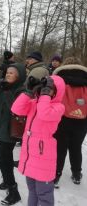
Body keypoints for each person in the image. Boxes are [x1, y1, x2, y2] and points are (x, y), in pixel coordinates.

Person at [11, 75, 66, 206]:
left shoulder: (58, 107)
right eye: (44, 88)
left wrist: (45, 95)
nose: (45, 92)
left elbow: (44, 113)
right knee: (32, 191)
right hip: (29, 157)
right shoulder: (35, 103)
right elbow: (16, 109)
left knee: (44, 195)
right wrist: (28, 92)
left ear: (57, 92)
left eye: (50, 89)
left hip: (44, 158)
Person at [0, 63, 26, 205]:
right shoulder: (4, 87)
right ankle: (6, 182)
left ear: (19, 76)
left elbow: (16, 110)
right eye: (7, 72)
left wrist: (4, 91)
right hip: (1, 129)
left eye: (12, 73)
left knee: (3, 161)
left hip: (11, 131)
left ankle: (14, 192)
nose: (8, 74)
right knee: (4, 160)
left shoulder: (22, 90)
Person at [52, 57, 87, 187]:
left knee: (60, 148)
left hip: (61, 118)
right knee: (76, 147)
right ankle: (77, 174)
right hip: (82, 120)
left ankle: (56, 174)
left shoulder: (58, 79)